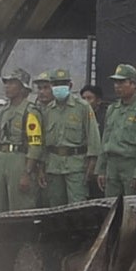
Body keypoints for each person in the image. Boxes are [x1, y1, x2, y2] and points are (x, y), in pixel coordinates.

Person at [96, 62, 136, 196]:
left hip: (131, 165)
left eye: (121, 82)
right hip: (112, 165)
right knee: (112, 207)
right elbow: (105, 140)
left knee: (132, 209)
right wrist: (101, 169)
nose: (117, 87)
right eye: (115, 83)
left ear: (133, 84)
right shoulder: (113, 109)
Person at [36, 67, 93, 206]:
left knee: (77, 207)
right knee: (56, 207)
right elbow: (43, 143)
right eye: (55, 84)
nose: (58, 87)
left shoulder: (82, 107)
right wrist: (41, 169)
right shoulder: (48, 110)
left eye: (63, 84)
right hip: (53, 167)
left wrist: (92, 166)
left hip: (76, 167)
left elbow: (93, 138)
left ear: (70, 86)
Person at [0, 67, 37, 218]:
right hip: (2, 156)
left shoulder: (30, 111)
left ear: (23, 88)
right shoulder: (4, 110)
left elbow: (35, 144)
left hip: (19, 158)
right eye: (6, 83)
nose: (7, 86)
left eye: (12, 83)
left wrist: (27, 172)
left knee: (20, 205)